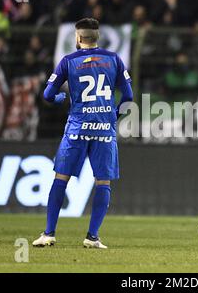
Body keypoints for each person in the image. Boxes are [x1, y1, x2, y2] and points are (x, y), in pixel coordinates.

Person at [32, 18, 133, 248]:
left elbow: (48, 94)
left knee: (61, 178)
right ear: (97, 37)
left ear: (78, 38)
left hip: (77, 127)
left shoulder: (68, 61)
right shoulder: (114, 59)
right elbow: (129, 98)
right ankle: (92, 237)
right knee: (103, 181)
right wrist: (112, 116)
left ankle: (49, 234)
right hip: (104, 128)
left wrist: (59, 99)